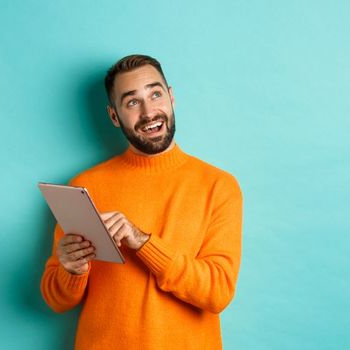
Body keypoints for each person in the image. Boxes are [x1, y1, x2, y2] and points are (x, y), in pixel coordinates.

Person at [40, 54, 243, 349]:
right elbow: (55, 300)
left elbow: (217, 293)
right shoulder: (85, 186)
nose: (149, 112)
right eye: (132, 102)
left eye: (155, 94)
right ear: (114, 116)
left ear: (171, 98)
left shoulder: (218, 186)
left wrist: (142, 242)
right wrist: (72, 270)